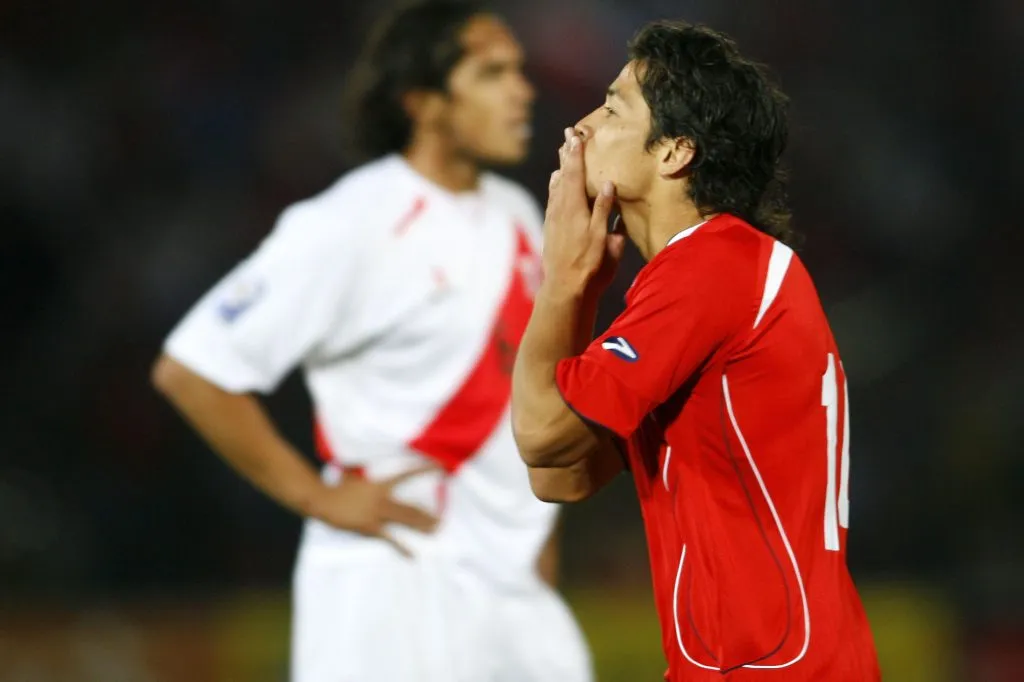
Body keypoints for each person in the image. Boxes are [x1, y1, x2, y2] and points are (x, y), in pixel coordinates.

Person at [151, 2, 592, 681]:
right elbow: (192, 369)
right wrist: (317, 498)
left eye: (518, 70)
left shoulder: (520, 213)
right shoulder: (351, 222)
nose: (522, 90)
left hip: (514, 589)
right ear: (422, 100)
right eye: (491, 72)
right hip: (394, 584)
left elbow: (529, 391)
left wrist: (543, 531)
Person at [511, 20, 881, 682]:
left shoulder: (712, 270)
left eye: (614, 106)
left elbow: (539, 436)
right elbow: (559, 475)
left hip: (772, 669)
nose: (582, 127)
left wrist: (562, 281)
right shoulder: (713, 278)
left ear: (675, 152)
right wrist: (577, 291)